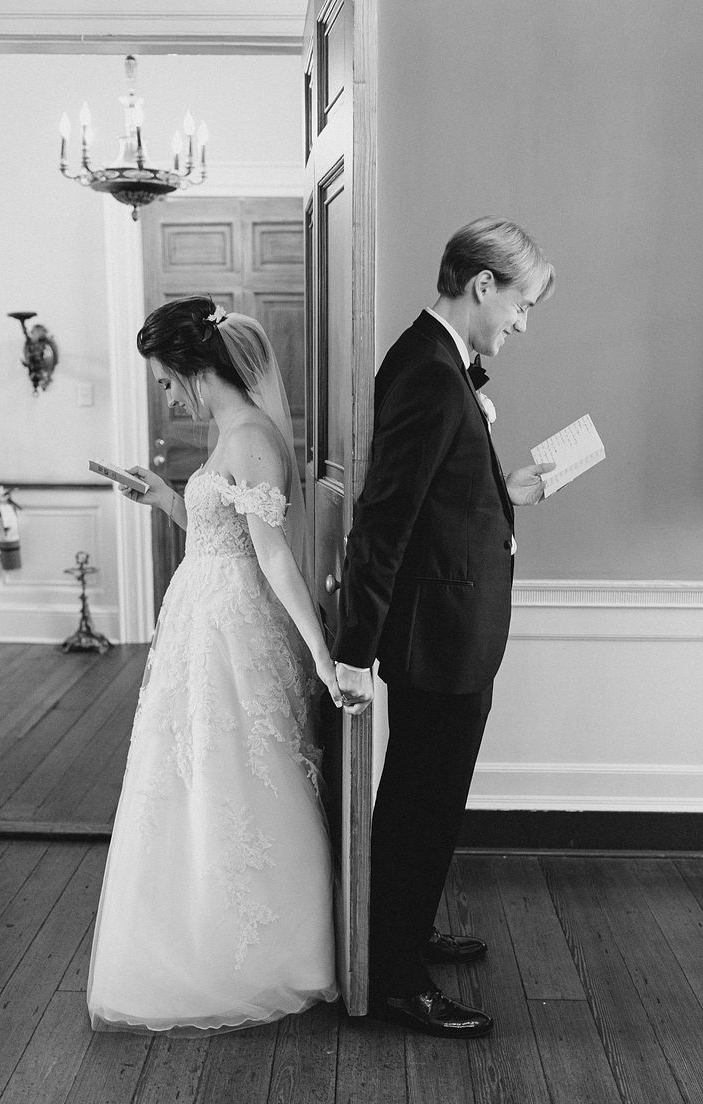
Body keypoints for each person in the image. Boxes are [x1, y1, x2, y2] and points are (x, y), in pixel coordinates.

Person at [87, 296, 341, 1034]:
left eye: (169, 381)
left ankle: (257, 954)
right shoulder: (230, 432)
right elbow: (218, 531)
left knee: (236, 776)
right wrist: (166, 496)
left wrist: (323, 659)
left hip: (230, 633)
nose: (168, 395)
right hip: (201, 622)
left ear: (197, 368)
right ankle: (190, 931)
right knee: (189, 782)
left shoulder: (252, 436)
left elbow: (274, 561)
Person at [332, 217, 556, 1038]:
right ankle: (395, 977)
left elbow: (440, 498)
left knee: (430, 801)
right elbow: (386, 519)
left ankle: (407, 931)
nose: (521, 324)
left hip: (452, 628)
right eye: (521, 304)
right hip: (436, 637)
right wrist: (354, 651)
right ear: (482, 284)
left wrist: (511, 494)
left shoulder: (441, 364)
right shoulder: (428, 372)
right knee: (420, 806)